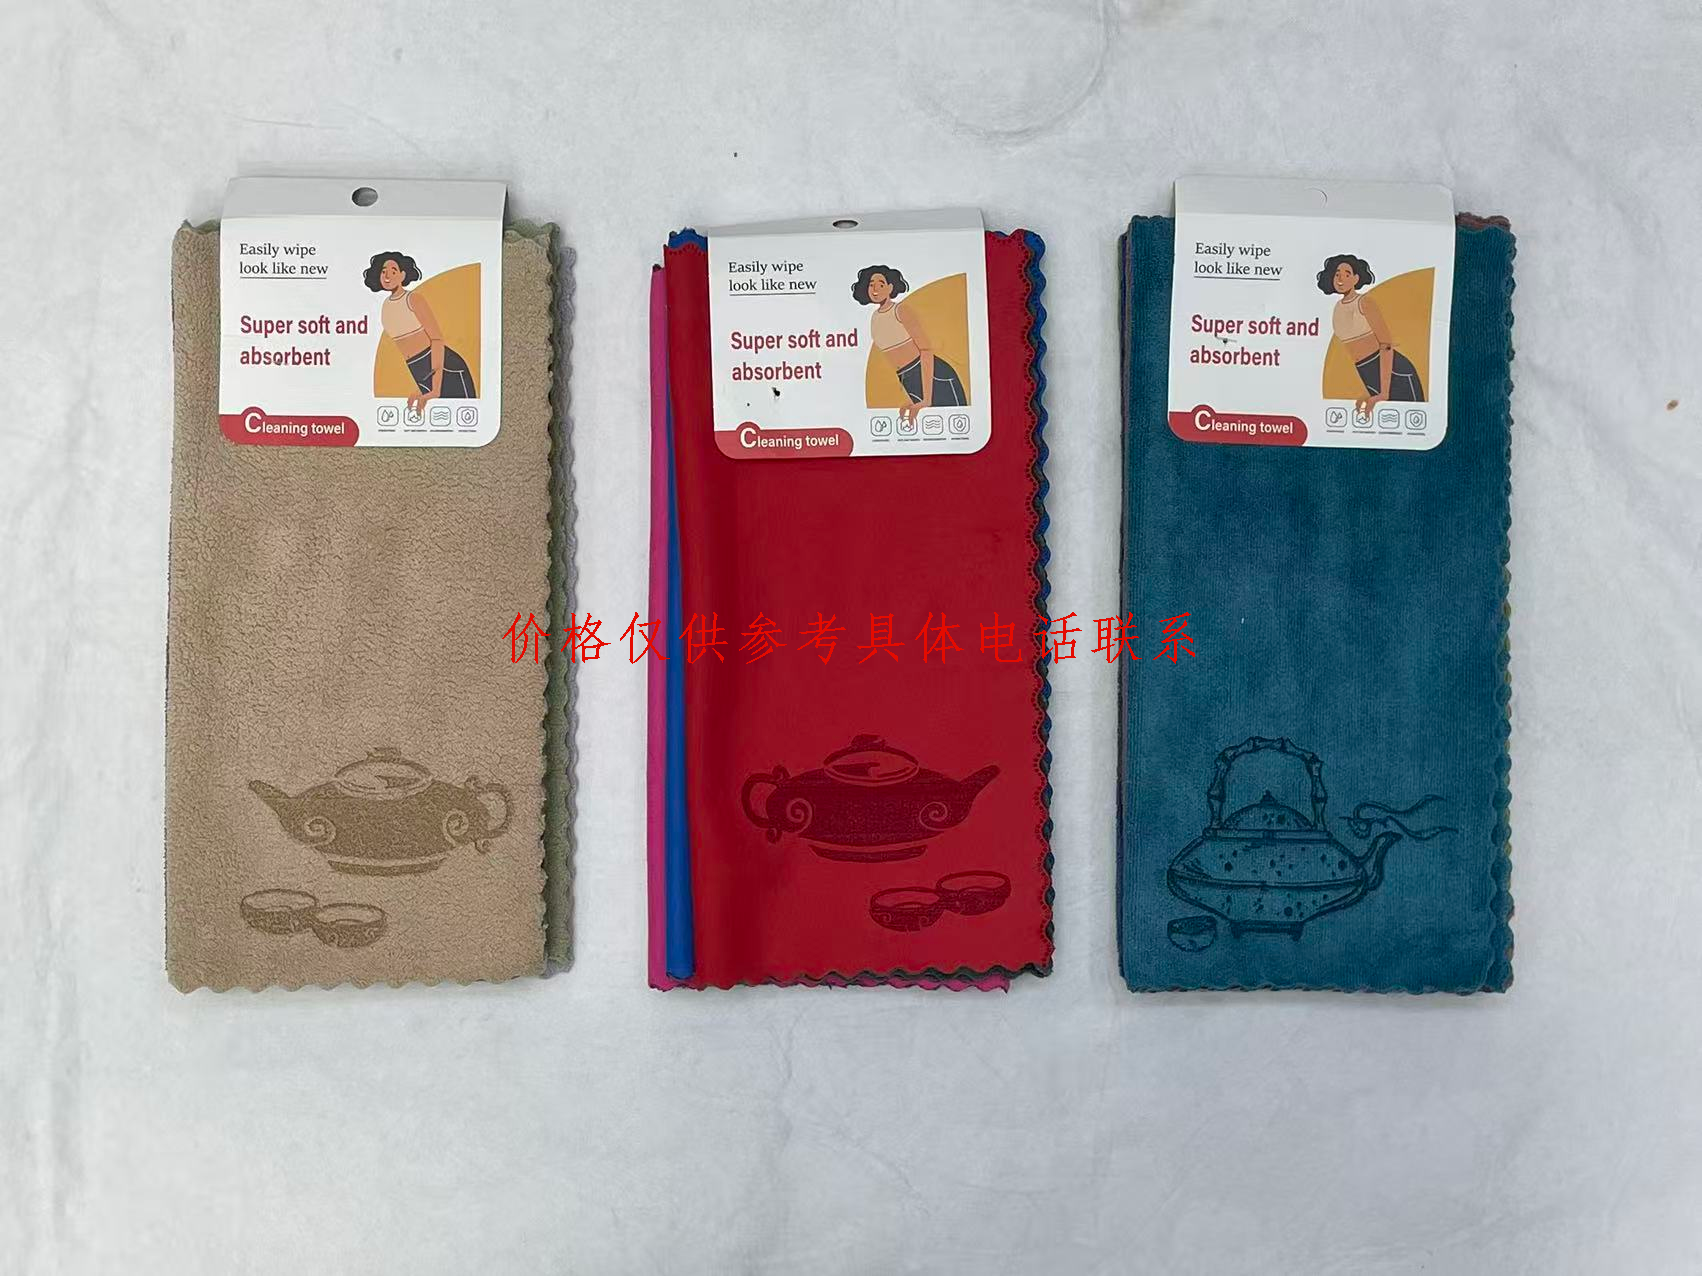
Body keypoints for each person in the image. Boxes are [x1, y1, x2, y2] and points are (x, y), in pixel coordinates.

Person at [363, 252, 475, 410]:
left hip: (445, 367)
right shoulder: (386, 306)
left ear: (403, 275)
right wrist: (422, 388)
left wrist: (435, 388)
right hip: (418, 369)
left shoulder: (413, 299)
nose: (387, 276)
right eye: (383, 271)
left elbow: (437, 340)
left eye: (393, 271)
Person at [852, 265, 966, 422]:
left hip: (933, 375)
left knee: (952, 422)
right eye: (871, 285)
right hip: (907, 378)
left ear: (891, 287)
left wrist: (926, 399)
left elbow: (926, 350)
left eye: (881, 284)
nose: (875, 289)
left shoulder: (900, 310)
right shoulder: (875, 318)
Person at [1317, 254, 1423, 412]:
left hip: (1392, 370)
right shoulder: (1337, 308)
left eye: (1347, 274)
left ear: (1356, 278)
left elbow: (1386, 345)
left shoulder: (1364, 302)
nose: (1340, 279)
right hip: (1365, 370)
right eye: (1337, 274)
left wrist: (1384, 392)